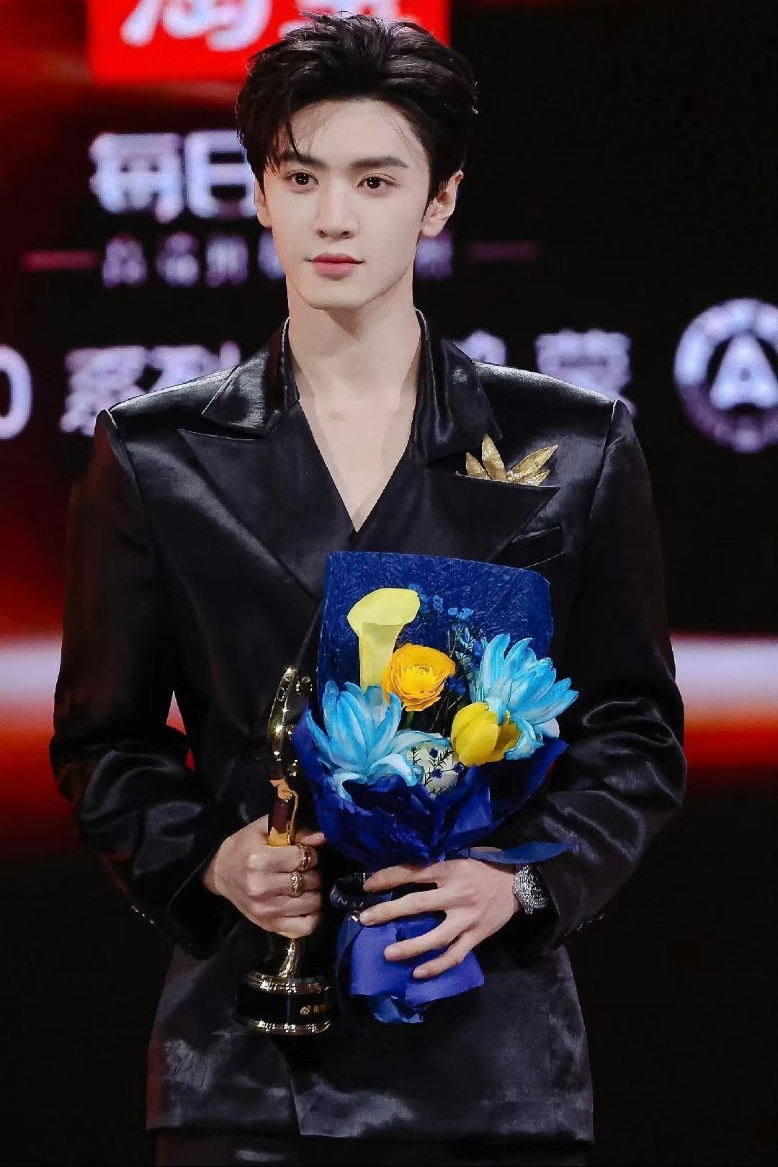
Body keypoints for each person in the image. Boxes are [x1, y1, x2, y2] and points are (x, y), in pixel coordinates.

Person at [49, 13, 686, 1167]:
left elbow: (634, 729)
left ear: (438, 201)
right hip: (245, 1058)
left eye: (375, 180)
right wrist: (213, 862)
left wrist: (519, 883)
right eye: (301, 177)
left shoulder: (572, 445)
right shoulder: (155, 454)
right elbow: (106, 741)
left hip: (491, 1053)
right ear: (259, 193)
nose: (333, 216)